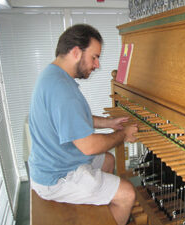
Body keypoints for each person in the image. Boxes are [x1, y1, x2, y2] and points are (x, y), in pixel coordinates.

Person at [28, 24, 138, 225]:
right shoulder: (62, 90)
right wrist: (123, 135)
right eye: (94, 57)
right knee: (127, 194)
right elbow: (89, 146)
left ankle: (98, 206)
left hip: (53, 163)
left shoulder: (53, 76)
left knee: (107, 160)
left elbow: (73, 118)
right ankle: (108, 203)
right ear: (76, 52)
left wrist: (109, 122)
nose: (97, 65)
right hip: (57, 177)